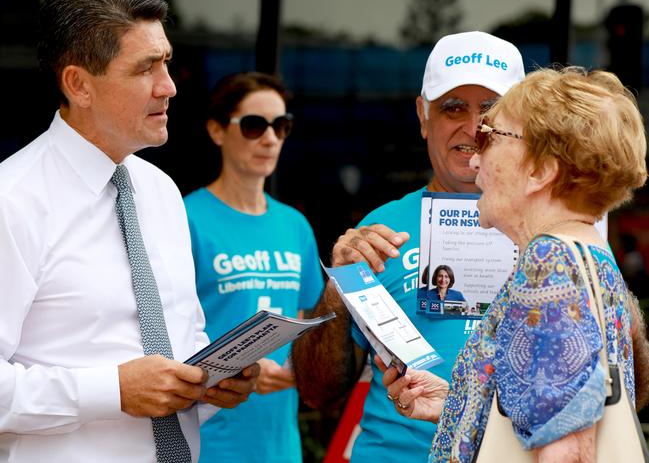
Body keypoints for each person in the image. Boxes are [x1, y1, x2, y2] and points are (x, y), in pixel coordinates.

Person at [0, 0, 258, 462]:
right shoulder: (12, 201)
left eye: (166, 61)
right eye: (145, 68)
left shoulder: (160, 192)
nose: (170, 86)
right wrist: (111, 391)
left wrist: (211, 382)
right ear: (79, 85)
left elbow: (181, 338)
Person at [381, 66, 649, 462]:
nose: (475, 161)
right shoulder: (588, 253)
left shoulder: (550, 264)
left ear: (541, 170)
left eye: (488, 137)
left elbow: (568, 450)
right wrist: (462, 401)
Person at [291, 31, 526, 463]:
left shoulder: (551, 232)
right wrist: (338, 290)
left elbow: (629, 387)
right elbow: (315, 391)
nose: (473, 127)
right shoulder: (381, 232)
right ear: (423, 115)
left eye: (491, 109)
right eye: (453, 107)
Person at [183, 72, 324, 463]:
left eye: (281, 126)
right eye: (253, 125)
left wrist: (300, 368)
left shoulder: (294, 225)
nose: (270, 138)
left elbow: (304, 323)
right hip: (209, 441)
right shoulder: (185, 219)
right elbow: (162, 334)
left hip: (279, 444)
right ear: (216, 130)